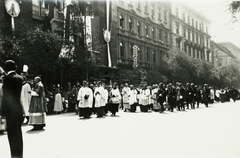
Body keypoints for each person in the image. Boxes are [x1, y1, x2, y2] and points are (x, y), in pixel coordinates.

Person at [1, 60, 24, 158]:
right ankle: (20, 155)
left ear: (6, 68)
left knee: (12, 136)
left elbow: (6, 97)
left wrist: (2, 112)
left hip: (10, 112)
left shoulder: (7, 79)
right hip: (18, 110)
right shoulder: (20, 78)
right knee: (18, 135)